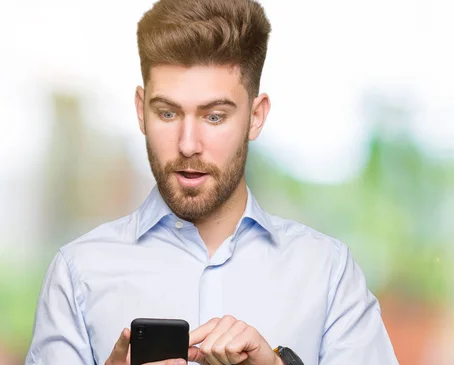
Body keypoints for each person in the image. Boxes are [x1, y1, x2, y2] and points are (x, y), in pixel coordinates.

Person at [25, 0, 399, 364]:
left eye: (215, 117)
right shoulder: (77, 274)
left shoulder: (328, 274)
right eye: (167, 113)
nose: (188, 144)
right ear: (141, 111)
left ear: (256, 116)